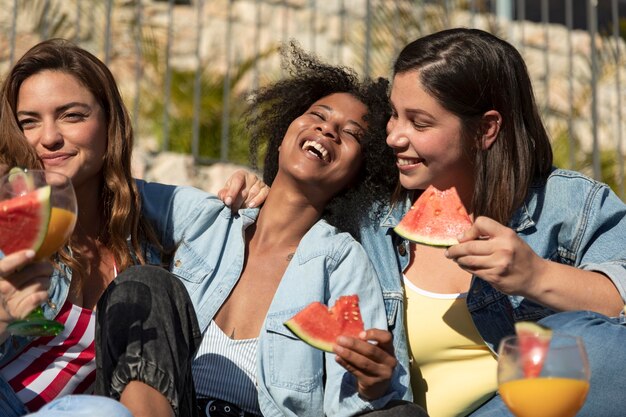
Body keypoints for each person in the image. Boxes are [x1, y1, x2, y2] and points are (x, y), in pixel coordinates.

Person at [221, 28, 626, 417]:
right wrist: (259, 195)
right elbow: (299, 207)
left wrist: (535, 276)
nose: (395, 136)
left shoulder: (570, 205)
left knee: (593, 344)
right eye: (393, 115)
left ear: (486, 129)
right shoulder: (370, 212)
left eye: (419, 123)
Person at [138, 42, 424, 417]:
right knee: (143, 285)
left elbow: (353, 402)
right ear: (285, 128)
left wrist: (371, 385)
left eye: (351, 133)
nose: (328, 129)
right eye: (317, 114)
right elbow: (106, 191)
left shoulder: (341, 263)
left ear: (362, 172)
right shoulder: (209, 218)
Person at [0, 39, 200, 417]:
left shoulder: (146, 244)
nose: (48, 138)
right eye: (29, 121)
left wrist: (257, 190)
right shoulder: (6, 228)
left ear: (110, 123)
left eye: (71, 115)